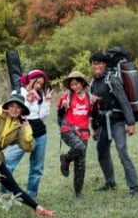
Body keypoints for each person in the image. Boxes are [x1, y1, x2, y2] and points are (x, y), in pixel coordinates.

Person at [0, 94, 55, 216]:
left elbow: (29, 147)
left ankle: (39, 209)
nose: (14, 109)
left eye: (18, 107)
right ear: (7, 106)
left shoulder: (19, 127)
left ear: (22, 110)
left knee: (13, 186)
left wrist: (28, 130)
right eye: (11, 106)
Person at [89, 51, 138, 197]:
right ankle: (110, 182)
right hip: (102, 124)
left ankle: (134, 187)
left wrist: (131, 123)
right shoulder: (93, 82)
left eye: (99, 63)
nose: (97, 66)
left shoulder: (111, 79)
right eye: (94, 63)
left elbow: (123, 100)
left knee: (122, 152)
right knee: (102, 152)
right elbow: (94, 108)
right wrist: (95, 127)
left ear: (104, 64)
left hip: (117, 121)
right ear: (92, 66)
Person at [2, 69, 53, 199]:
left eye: (41, 84)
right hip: (20, 133)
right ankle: (3, 194)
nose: (39, 86)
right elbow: (14, 112)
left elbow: (41, 117)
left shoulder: (39, 95)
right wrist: (28, 101)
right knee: (8, 163)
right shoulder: (17, 92)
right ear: (30, 79)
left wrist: (46, 101)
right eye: (37, 83)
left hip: (40, 134)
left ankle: (32, 195)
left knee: (37, 167)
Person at [56, 71, 96, 201]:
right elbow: (59, 115)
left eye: (76, 84)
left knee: (80, 164)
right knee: (80, 148)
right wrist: (63, 108)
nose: (74, 87)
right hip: (68, 129)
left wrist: (95, 105)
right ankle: (66, 159)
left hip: (83, 132)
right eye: (72, 85)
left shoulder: (90, 98)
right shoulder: (67, 97)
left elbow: (94, 116)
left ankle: (78, 193)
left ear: (82, 83)